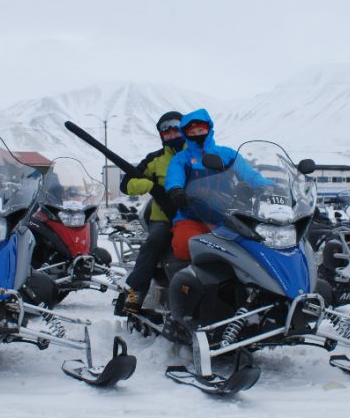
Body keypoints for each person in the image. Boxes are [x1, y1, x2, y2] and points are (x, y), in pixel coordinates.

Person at [165, 108, 269, 261]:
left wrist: (269, 186)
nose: (197, 135)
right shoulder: (182, 158)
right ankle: (187, 281)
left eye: (201, 130)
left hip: (225, 216)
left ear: (209, 129)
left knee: (249, 249)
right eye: (192, 133)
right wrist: (175, 190)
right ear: (186, 135)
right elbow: (174, 177)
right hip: (191, 215)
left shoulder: (227, 154)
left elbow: (249, 174)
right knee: (185, 245)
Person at [113, 111, 185, 315]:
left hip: (196, 217)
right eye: (166, 130)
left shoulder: (198, 155)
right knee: (153, 245)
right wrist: (147, 185)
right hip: (163, 219)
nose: (171, 134)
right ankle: (135, 295)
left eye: (176, 128)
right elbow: (126, 185)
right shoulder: (155, 160)